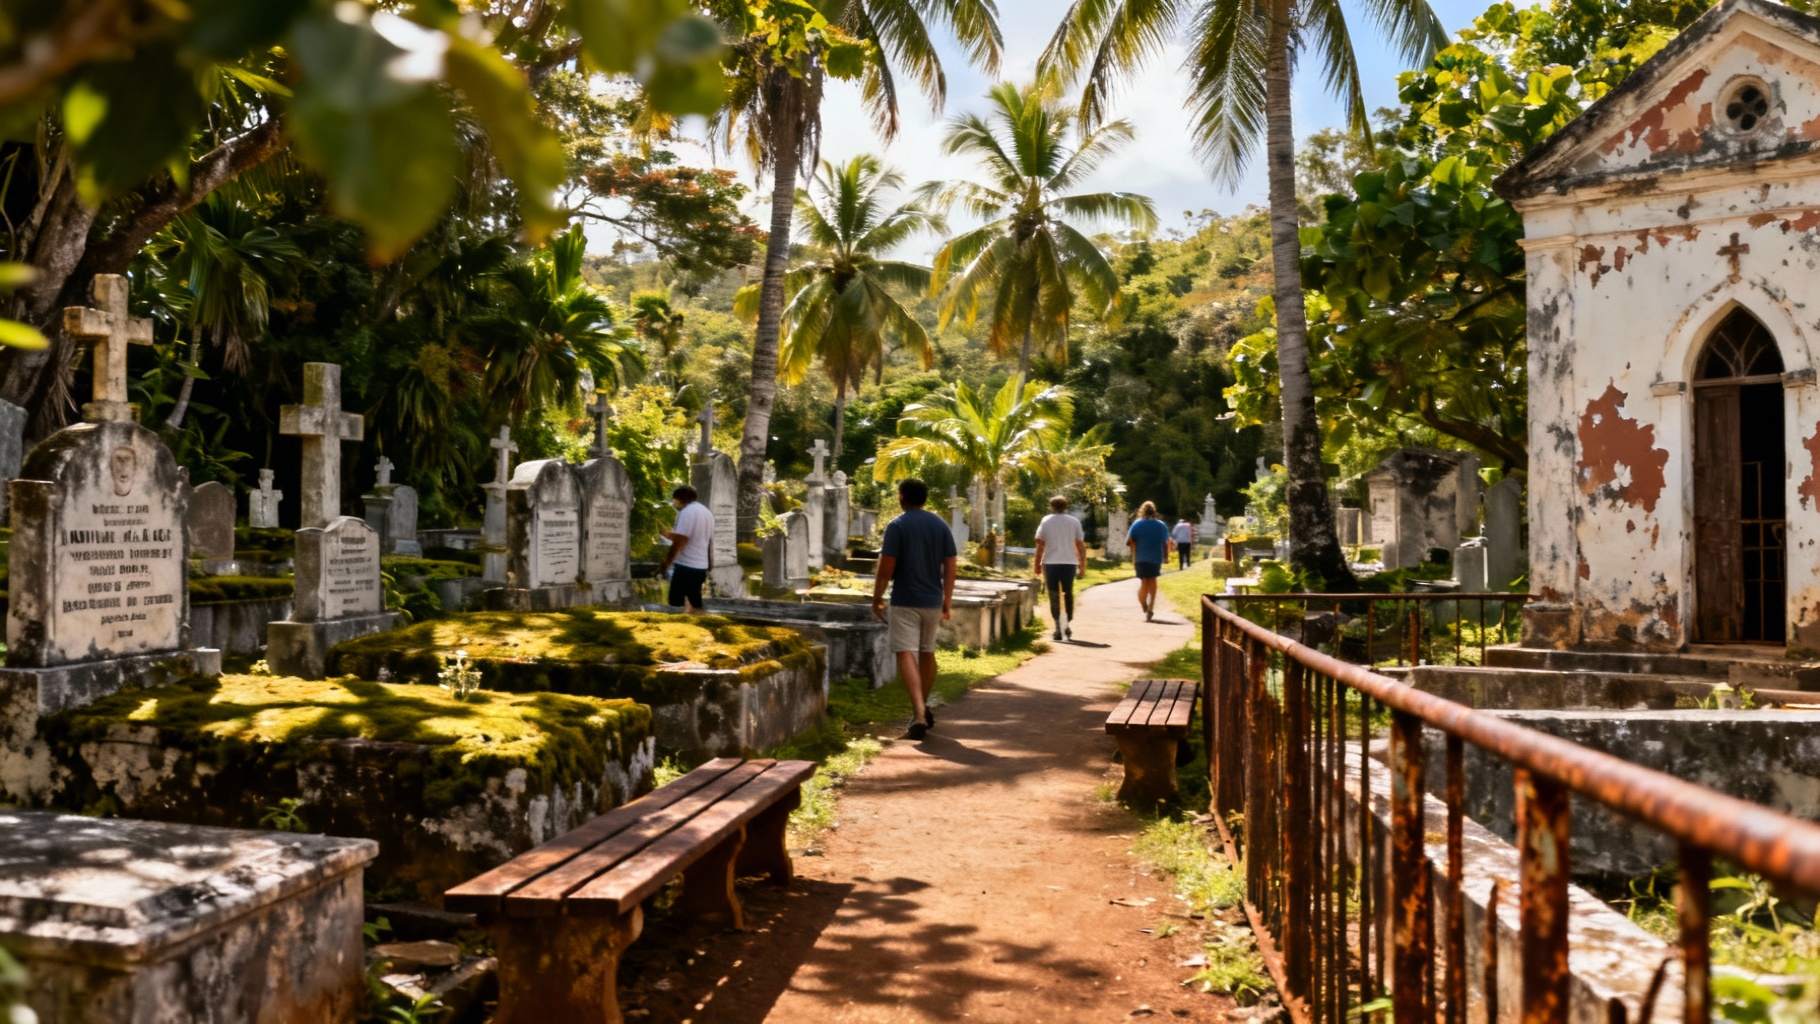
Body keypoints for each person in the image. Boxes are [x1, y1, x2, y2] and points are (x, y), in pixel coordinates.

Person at [871, 477, 957, 740]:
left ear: (901, 496)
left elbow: (886, 568)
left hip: (905, 599)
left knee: (906, 653)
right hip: (932, 600)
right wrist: (947, 599)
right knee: (927, 652)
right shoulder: (940, 524)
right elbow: (951, 565)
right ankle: (921, 708)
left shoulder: (897, 525)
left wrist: (877, 598)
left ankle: (919, 713)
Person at [1032, 496, 1087, 641]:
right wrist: (1082, 565)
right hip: (1069, 563)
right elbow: (1080, 544)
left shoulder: (1046, 521)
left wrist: (1036, 564)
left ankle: (1058, 627)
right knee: (1067, 593)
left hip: (1051, 563)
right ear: (1065, 506)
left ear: (1051, 506)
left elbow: (1040, 544)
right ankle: (1066, 625)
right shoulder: (1074, 521)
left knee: (1054, 595)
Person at [659, 484, 712, 613]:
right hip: (700, 565)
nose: (675, 502)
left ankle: (680, 630)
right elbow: (697, 537)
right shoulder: (706, 512)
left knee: (676, 604)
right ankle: (699, 628)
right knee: (695, 602)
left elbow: (681, 541)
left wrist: (667, 563)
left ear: (682, 497)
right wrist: (669, 534)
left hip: (686, 565)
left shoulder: (687, 512)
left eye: (675, 498)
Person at [1127, 501, 1172, 621]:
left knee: (1144, 583)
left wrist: (1133, 553)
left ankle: (1144, 605)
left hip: (1140, 558)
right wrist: (1167, 556)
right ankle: (1151, 606)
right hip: (1155, 558)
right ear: (1154, 511)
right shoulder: (1161, 525)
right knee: (1152, 580)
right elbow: (1167, 542)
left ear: (1142, 511)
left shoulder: (1137, 524)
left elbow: (1130, 541)